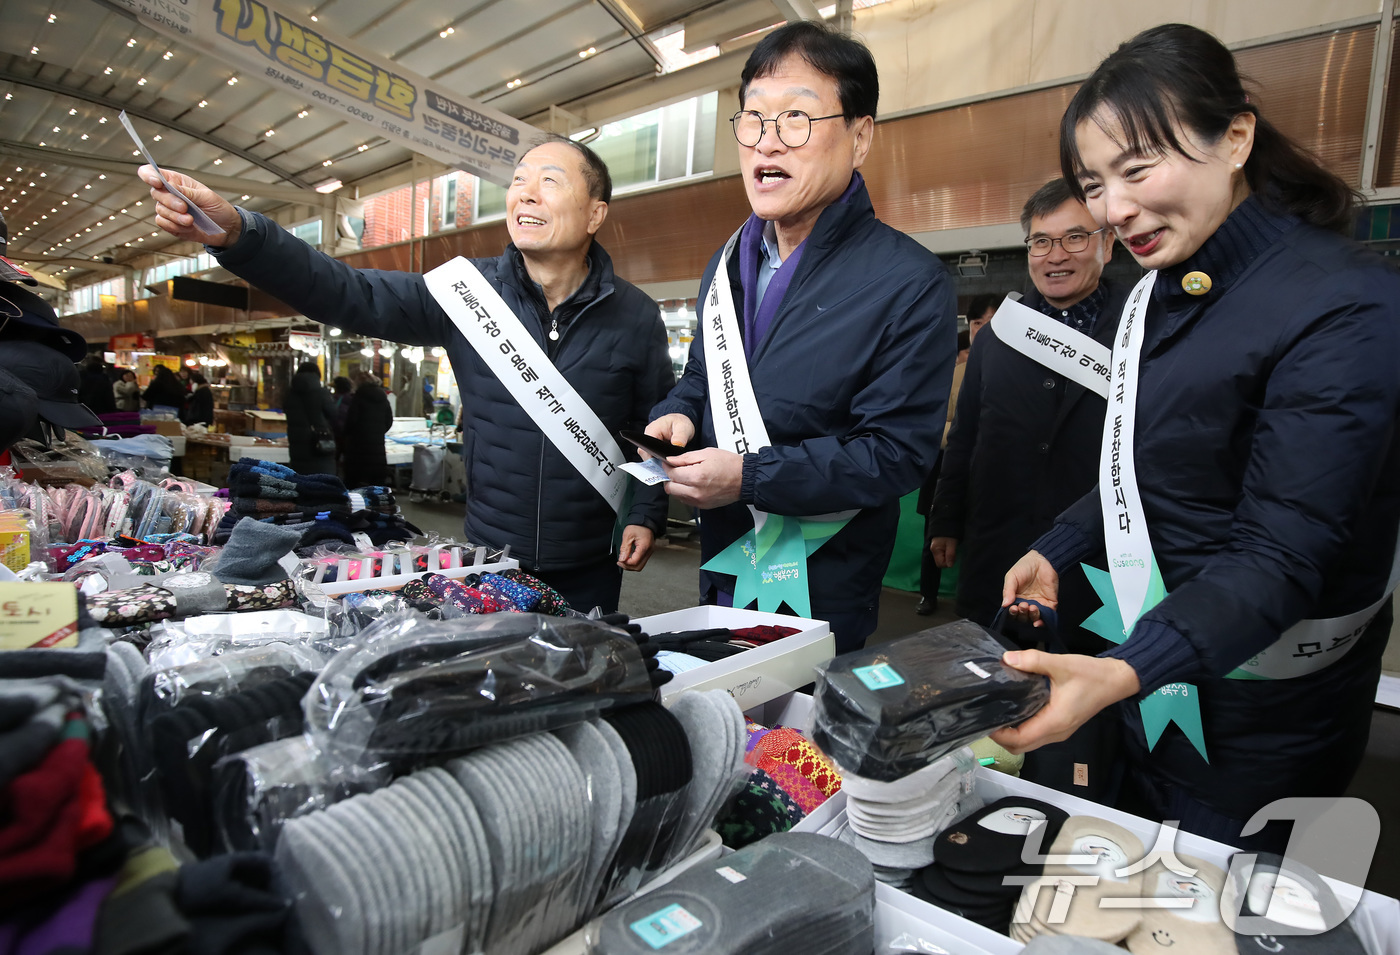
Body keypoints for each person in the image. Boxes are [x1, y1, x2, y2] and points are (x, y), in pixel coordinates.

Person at [993, 23, 1400, 849]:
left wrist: (1126, 666)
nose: (1116, 209)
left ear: (1237, 136)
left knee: (1217, 906)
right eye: (1094, 184)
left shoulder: (1344, 305)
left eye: (1138, 170)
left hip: (1262, 712)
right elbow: (1145, 468)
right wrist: (1062, 544)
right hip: (1150, 668)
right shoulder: (1159, 290)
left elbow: (1284, 552)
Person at [140, 136, 673, 615]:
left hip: (592, 561)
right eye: (518, 182)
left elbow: (652, 429)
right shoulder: (467, 294)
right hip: (490, 558)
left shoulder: (635, 316)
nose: (525, 195)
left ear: (595, 213)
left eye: (549, 182)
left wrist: (646, 513)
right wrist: (242, 235)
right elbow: (347, 290)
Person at [645, 21, 956, 652]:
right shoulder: (727, 261)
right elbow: (703, 379)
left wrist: (749, 479)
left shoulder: (910, 280)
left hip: (825, 587)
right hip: (723, 565)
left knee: (802, 748)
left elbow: (894, 453)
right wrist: (678, 413)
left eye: (795, 119)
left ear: (860, 136)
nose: (768, 143)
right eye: (753, 119)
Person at [930, 180, 1126, 636]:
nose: (1055, 255)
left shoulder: (1142, 328)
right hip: (998, 546)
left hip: (1097, 557)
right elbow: (965, 435)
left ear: (1108, 244)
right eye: (1041, 241)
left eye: (1075, 237)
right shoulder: (999, 333)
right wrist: (945, 519)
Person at [915, 296, 995, 616]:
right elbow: (934, 424)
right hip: (947, 469)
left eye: (991, 322)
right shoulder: (954, 373)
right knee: (934, 537)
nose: (984, 330)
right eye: (977, 323)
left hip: (992, 476)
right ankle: (928, 594)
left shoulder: (1022, 371)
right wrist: (968, 434)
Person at [342, 370, 394, 488]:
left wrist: (348, 435)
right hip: (378, 447)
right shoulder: (383, 398)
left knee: (356, 484)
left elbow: (351, 421)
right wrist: (378, 432)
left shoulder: (358, 397)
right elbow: (389, 421)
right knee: (377, 484)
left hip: (358, 448)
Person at [283, 361, 336, 475]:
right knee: (322, 481)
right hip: (319, 444)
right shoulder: (322, 392)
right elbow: (333, 414)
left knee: (301, 482)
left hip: (296, 445)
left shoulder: (289, 394)